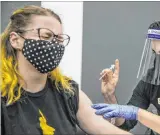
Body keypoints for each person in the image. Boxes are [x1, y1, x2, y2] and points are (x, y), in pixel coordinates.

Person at [0, 5, 132, 135]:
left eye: (59, 39)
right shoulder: (3, 97)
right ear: (15, 40)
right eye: (46, 36)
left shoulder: (67, 92)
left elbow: (104, 129)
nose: (53, 45)